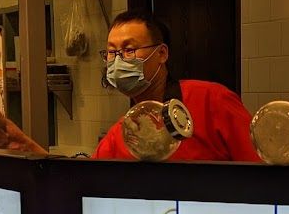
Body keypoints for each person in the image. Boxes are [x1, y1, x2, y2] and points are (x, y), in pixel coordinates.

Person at [93, 9, 260, 162]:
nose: (118, 60)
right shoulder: (120, 135)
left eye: (129, 50)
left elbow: (262, 174)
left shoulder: (211, 100)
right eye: (112, 52)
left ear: (162, 53)